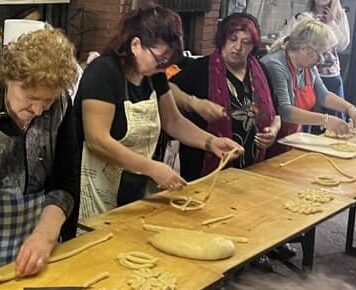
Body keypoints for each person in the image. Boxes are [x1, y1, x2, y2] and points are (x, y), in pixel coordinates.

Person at [74, 7, 243, 220]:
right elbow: (97, 140)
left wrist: (211, 142)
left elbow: (173, 121)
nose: (164, 65)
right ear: (135, 45)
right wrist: (152, 168)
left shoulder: (154, 76)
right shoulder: (104, 72)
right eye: (160, 58)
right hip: (95, 186)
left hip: (133, 183)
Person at [170, 13, 292, 271]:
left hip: (252, 160)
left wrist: (273, 129)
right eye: (233, 39)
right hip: (207, 162)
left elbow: (278, 112)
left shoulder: (260, 70)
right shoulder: (201, 69)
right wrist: (195, 103)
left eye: (246, 42)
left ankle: (250, 251)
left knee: (248, 212)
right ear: (222, 39)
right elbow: (167, 89)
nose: (238, 47)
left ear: (253, 45)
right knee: (209, 218)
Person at [0, 29, 79, 276]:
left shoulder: (62, 104)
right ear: (8, 79)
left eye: (47, 102)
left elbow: (65, 181)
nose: (38, 110)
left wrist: (45, 236)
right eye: (31, 98)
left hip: (37, 222)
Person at [262, 16, 356, 154]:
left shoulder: (308, 66)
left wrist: (349, 108)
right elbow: (285, 111)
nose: (321, 60)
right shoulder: (275, 65)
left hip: (293, 139)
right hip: (270, 140)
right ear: (304, 49)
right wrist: (326, 120)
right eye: (321, 54)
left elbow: (323, 95)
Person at [283, 0, 350, 123]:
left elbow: (343, 44)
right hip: (305, 73)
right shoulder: (302, 16)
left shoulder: (339, 15)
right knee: (307, 115)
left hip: (330, 73)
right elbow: (286, 39)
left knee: (338, 117)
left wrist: (331, 22)